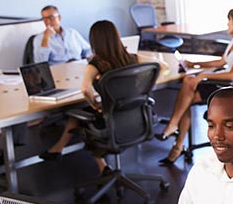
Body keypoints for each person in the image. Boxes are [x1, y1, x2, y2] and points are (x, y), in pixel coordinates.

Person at [39, 20, 166, 173]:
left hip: (111, 121)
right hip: (137, 117)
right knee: (81, 114)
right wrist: (143, 87)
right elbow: (161, 66)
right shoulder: (132, 57)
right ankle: (61, 150)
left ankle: (98, 164)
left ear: (94, 41)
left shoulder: (95, 64)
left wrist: (94, 104)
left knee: (82, 115)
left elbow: (85, 90)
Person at [155, 7, 233, 166]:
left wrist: (203, 75)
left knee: (188, 86)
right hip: (223, 84)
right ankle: (176, 143)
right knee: (188, 89)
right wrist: (195, 64)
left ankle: (175, 134)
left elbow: (232, 74)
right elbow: (220, 62)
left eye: (229, 21)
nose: (228, 24)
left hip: (230, 89)